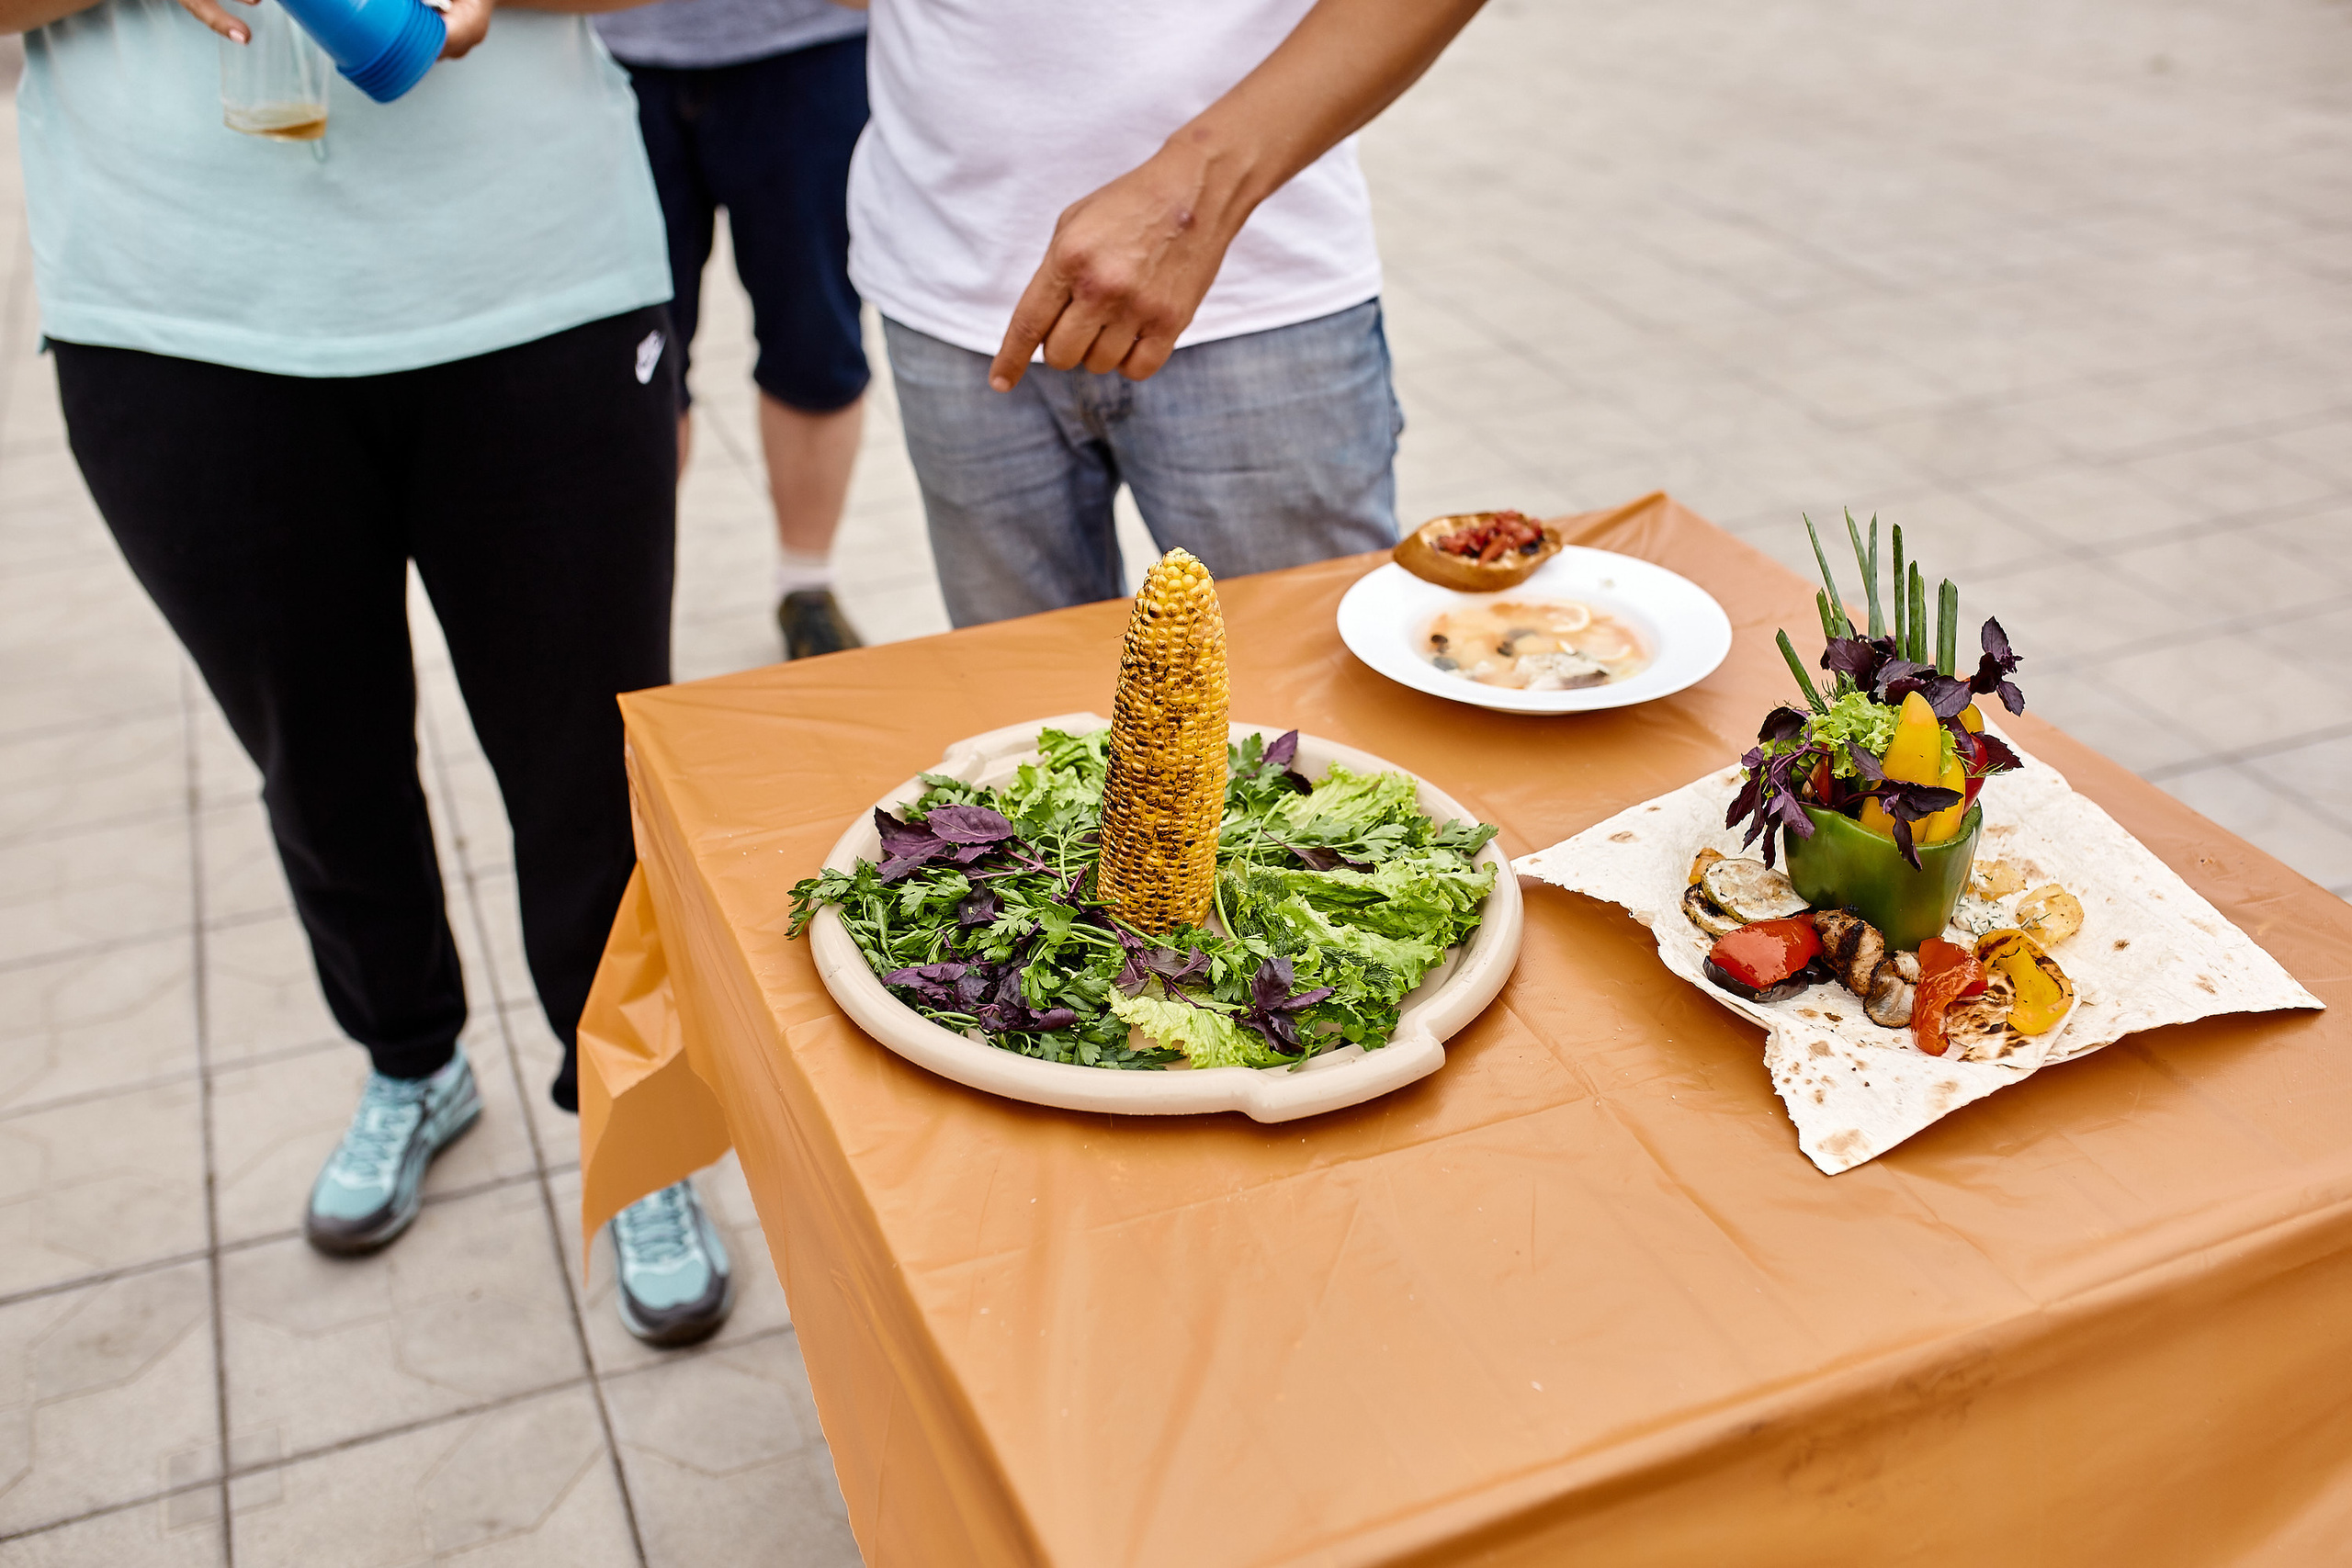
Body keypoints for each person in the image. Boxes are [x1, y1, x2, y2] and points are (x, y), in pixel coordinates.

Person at [7, 0, 732, 1345]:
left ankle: (639, 1112)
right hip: (178, 316)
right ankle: (411, 1056)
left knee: (590, 767)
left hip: (533, 285)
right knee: (317, 757)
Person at [844, 0, 1488, 627]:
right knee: (1027, 714)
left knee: (1308, 699)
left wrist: (1197, 189)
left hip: (1260, 295)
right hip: (949, 276)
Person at [595, 0, 872, 660]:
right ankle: (623, 605)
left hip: (807, 42)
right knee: (630, 361)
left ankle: (807, 586)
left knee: (817, 340)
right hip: (607, 50)